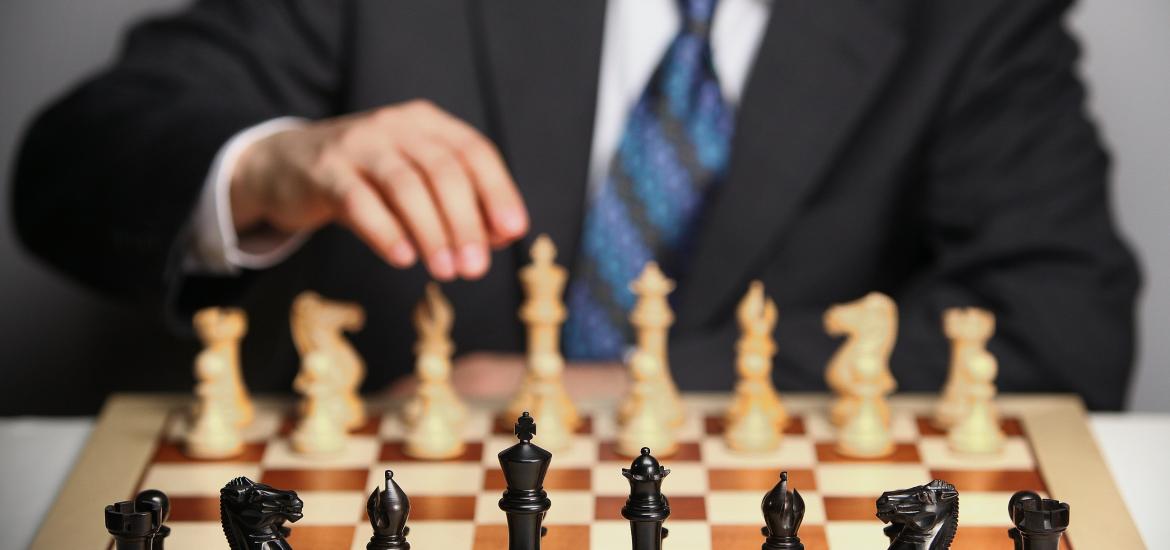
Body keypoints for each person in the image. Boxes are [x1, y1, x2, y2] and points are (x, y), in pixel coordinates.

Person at [12, 0, 1139, 409]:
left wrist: (593, 391)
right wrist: (267, 166)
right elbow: (67, 167)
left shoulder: (974, 17)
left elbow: (1064, 327)